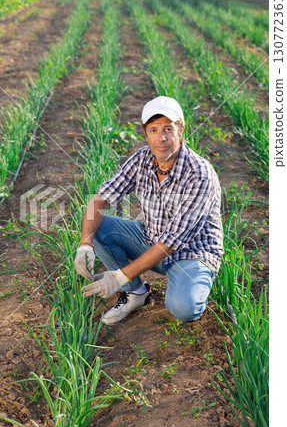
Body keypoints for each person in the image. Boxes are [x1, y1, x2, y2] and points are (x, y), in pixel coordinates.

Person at [74, 96, 223, 325]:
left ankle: (196, 282)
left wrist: (118, 275)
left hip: (191, 254)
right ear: (145, 133)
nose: (161, 138)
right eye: (153, 130)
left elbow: (172, 242)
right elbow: (99, 201)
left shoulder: (200, 174)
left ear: (181, 129)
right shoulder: (142, 159)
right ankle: (135, 293)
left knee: (183, 309)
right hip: (152, 239)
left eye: (168, 129)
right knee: (98, 226)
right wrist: (85, 244)